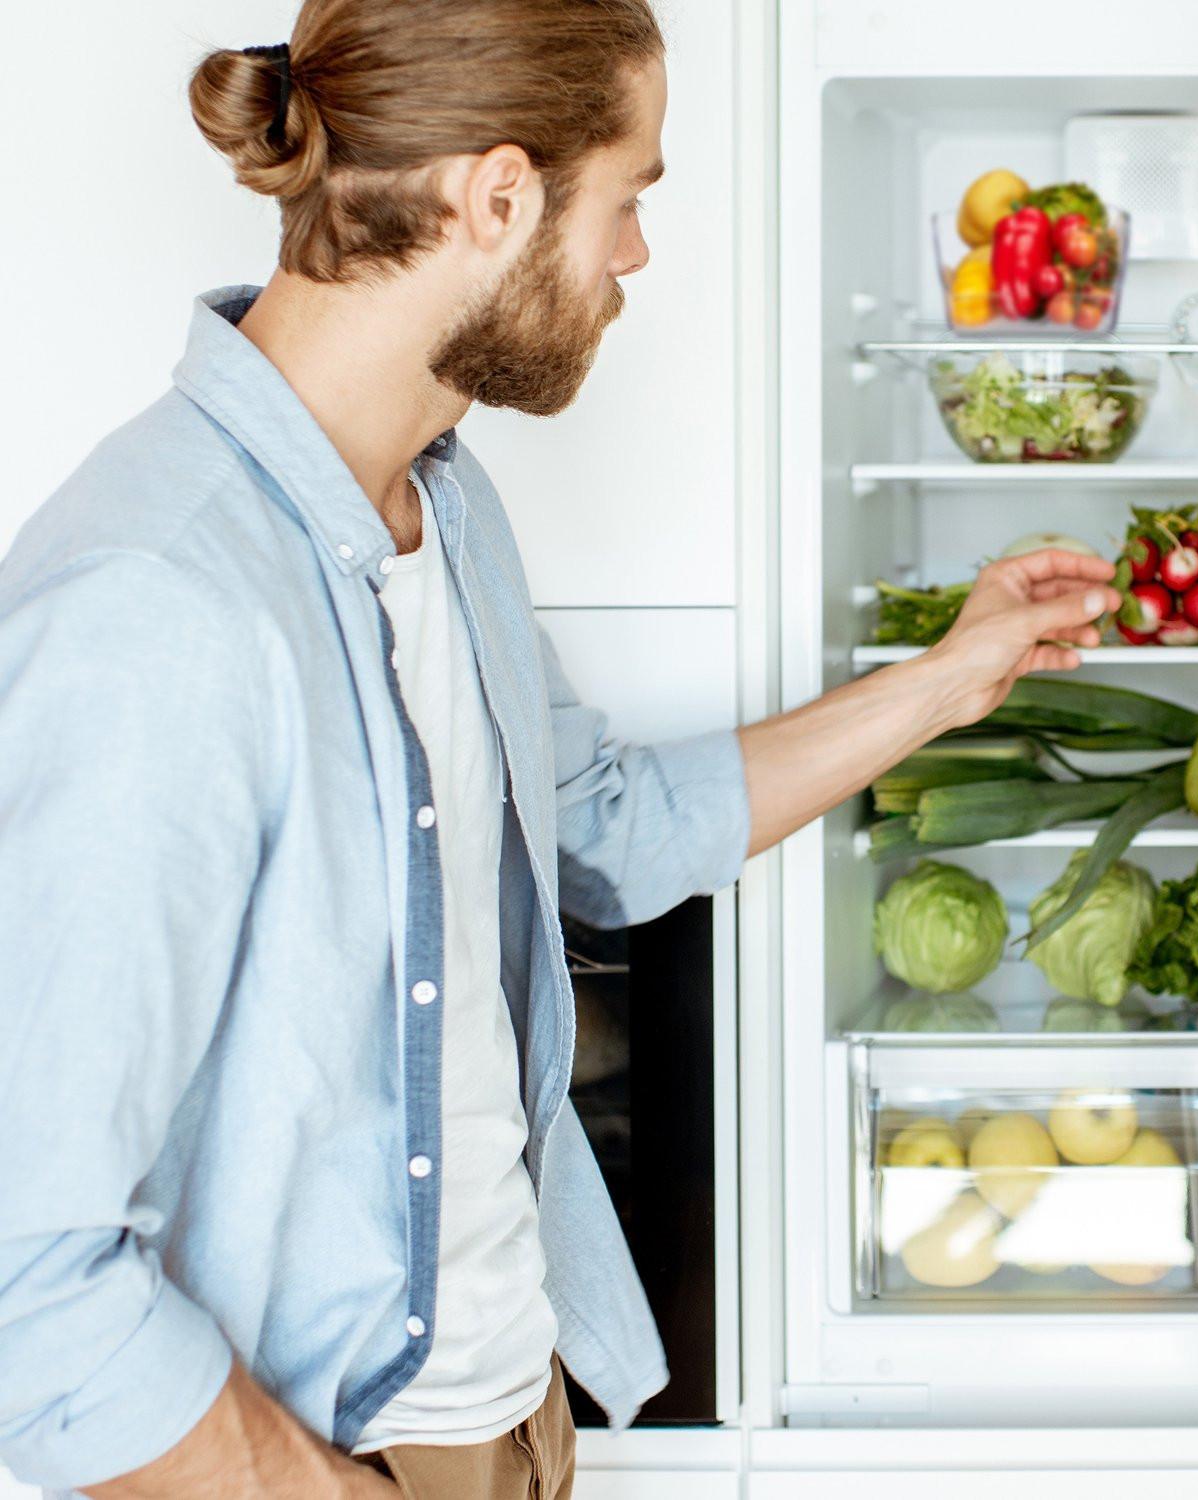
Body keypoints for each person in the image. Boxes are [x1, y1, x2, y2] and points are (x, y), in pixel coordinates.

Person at [0, 3, 1118, 1498]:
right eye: (632, 193)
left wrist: (949, 680)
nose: (637, 254)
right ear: (502, 195)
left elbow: (594, 830)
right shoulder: (157, 601)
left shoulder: (440, 511)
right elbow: (33, 1276)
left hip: (510, 1409)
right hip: (321, 1455)